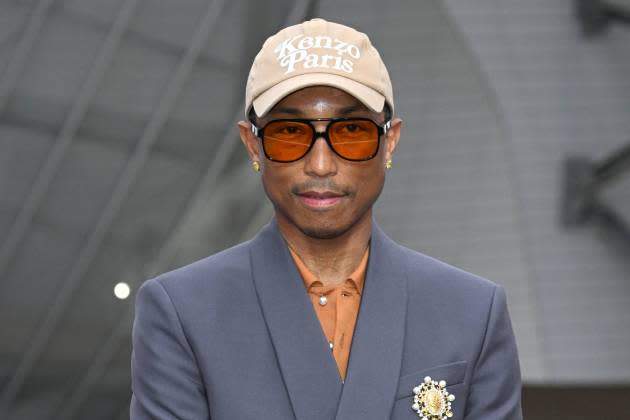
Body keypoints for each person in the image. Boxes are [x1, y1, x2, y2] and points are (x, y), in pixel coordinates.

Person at [130, 18, 523, 420]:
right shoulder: (183, 312)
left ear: (390, 141)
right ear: (252, 146)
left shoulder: (471, 311)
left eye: (352, 131)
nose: (320, 165)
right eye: (289, 133)